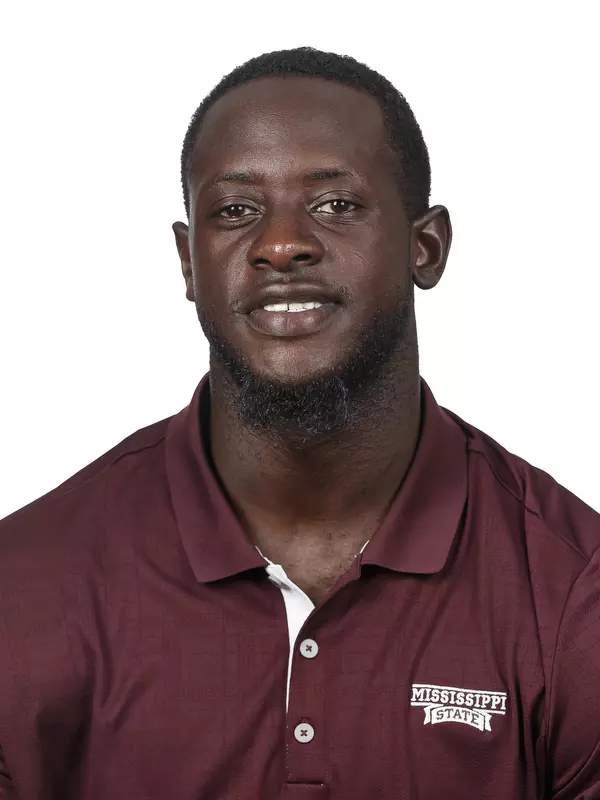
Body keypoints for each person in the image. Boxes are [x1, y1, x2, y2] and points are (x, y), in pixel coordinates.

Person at [0, 45, 598, 800]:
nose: (282, 244)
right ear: (189, 263)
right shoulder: (24, 585)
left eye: (335, 204)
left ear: (427, 246)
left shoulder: (574, 587)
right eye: (236, 211)